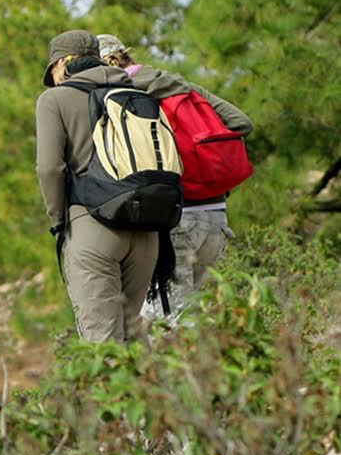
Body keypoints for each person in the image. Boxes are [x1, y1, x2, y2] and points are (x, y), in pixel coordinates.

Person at [97, 34, 254, 319]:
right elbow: (241, 123)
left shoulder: (126, 96)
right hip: (216, 218)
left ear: (109, 62)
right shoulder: (182, 86)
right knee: (206, 316)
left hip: (176, 220)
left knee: (169, 321)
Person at [35, 30, 160, 343]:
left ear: (62, 63)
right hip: (147, 228)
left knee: (102, 346)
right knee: (134, 338)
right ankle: (156, 394)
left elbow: (50, 168)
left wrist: (60, 224)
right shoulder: (138, 91)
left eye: (52, 72)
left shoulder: (55, 99)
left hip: (92, 226)